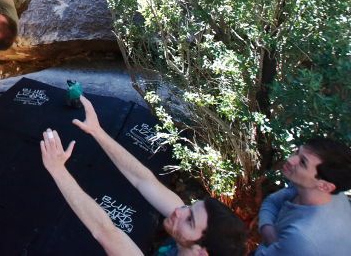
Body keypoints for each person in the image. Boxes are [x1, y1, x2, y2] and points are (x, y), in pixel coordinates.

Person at [40, 95, 247, 256]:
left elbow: (105, 232)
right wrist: (97, 131)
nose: (179, 211)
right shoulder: (185, 229)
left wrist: (58, 170)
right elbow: (144, 180)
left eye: (190, 220)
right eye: (190, 207)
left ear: (202, 253)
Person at [255, 137, 351, 255]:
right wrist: (270, 234)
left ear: (325, 186)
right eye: (297, 152)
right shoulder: (316, 189)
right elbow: (271, 201)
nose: (290, 160)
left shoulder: (302, 237)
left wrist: (278, 244)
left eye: (303, 162)